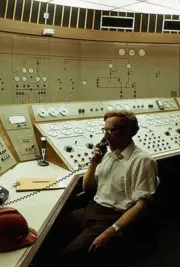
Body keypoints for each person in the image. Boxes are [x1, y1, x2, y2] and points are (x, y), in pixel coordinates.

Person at [44, 110, 158, 266]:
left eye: (111, 130)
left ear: (128, 131)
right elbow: (89, 189)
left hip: (113, 216)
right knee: (47, 233)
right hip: (91, 209)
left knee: (67, 257)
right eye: (104, 130)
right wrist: (93, 163)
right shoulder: (108, 156)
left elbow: (141, 205)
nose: (106, 136)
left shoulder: (143, 161)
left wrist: (112, 231)